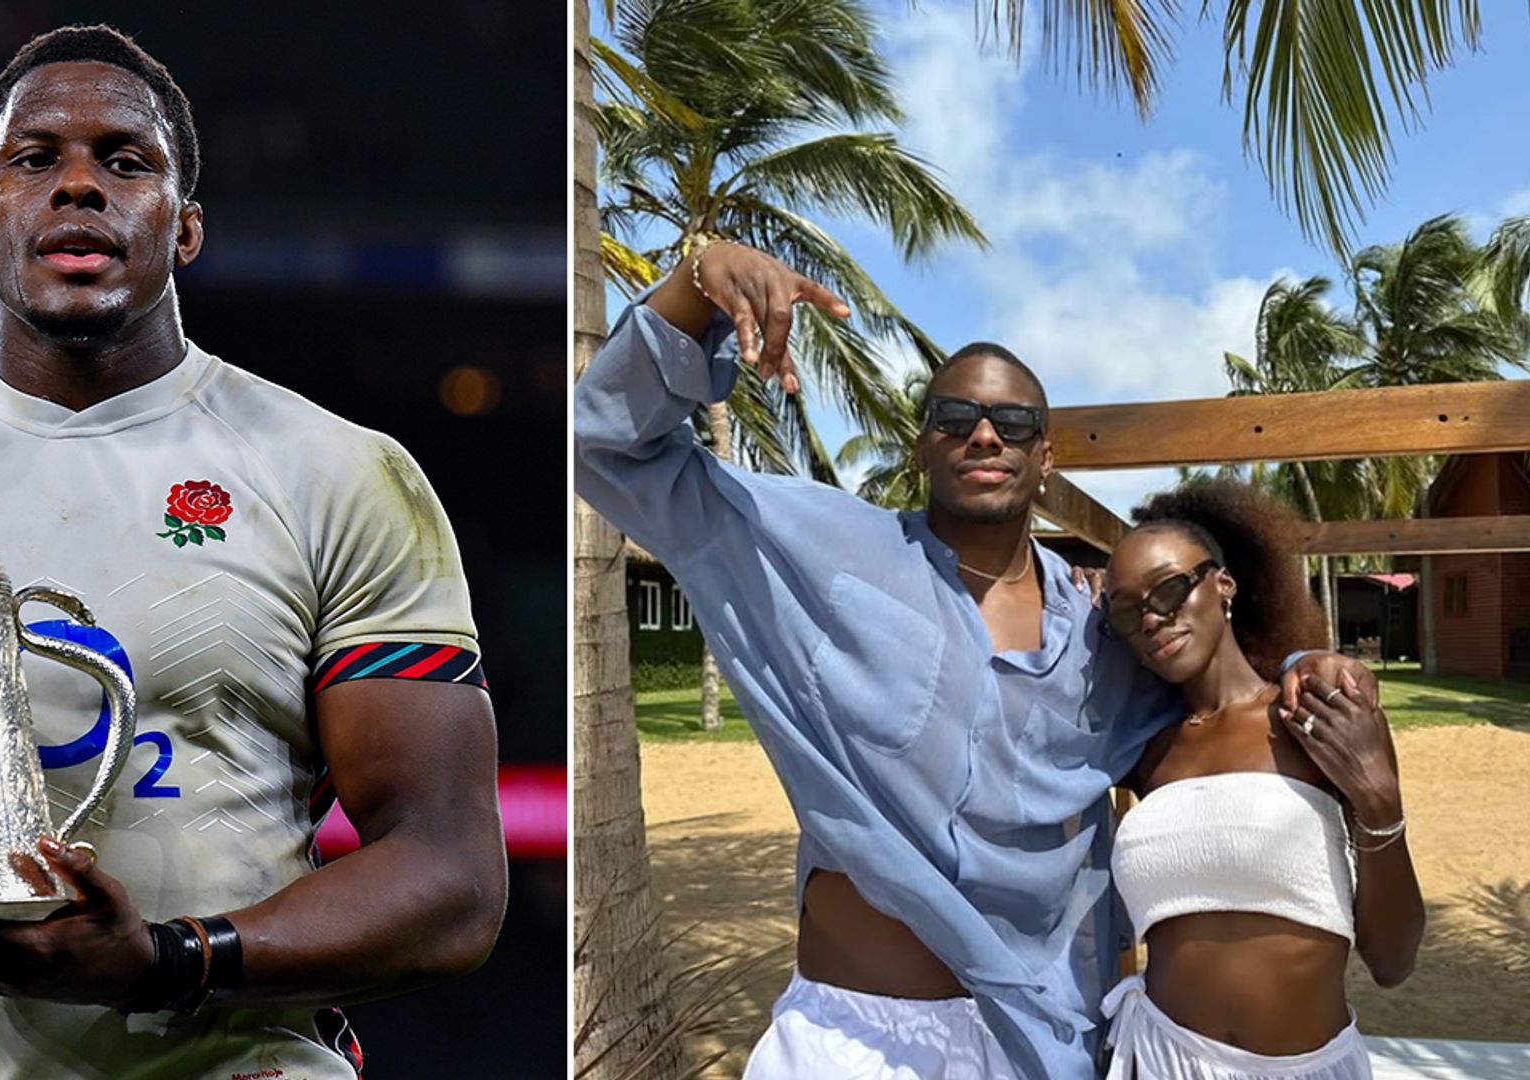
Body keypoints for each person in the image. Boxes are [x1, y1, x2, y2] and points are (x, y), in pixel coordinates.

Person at [0, 25, 505, 1079]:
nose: (80, 186)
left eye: (127, 161)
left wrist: (167, 961)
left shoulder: (338, 471)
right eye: (34, 160)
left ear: (187, 230)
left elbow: (453, 885)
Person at [572, 239, 1377, 1080]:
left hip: (1043, 1042)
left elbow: (1213, 681)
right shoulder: (827, 551)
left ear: (1044, 456)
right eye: (954, 419)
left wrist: (1305, 658)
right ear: (922, 446)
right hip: (856, 1040)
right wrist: (696, 284)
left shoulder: (1105, 632)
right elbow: (607, 447)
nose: (984, 434)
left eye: (1014, 423)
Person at [1099, 481, 1423, 1079]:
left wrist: (1379, 802)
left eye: (1171, 589)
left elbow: (1392, 960)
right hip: (1157, 1056)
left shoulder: (1317, 716)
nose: (1152, 617)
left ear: (1223, 583)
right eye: (1126, 608)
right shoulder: (1147, 752)